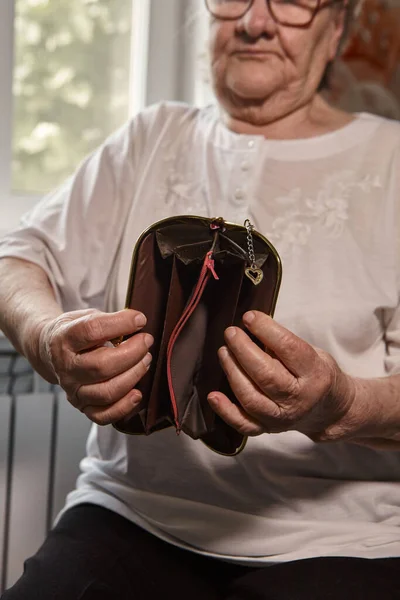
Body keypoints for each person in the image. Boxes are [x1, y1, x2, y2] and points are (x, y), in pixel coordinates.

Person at [1, 0, 400, 597]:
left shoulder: (391, 162)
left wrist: (341, 406)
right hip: (127, 515)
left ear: (335, 25)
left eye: (291, 2)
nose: (254, 21)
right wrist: (44, 338)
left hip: (335, 539)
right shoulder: (151, 136)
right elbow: (18, 257)